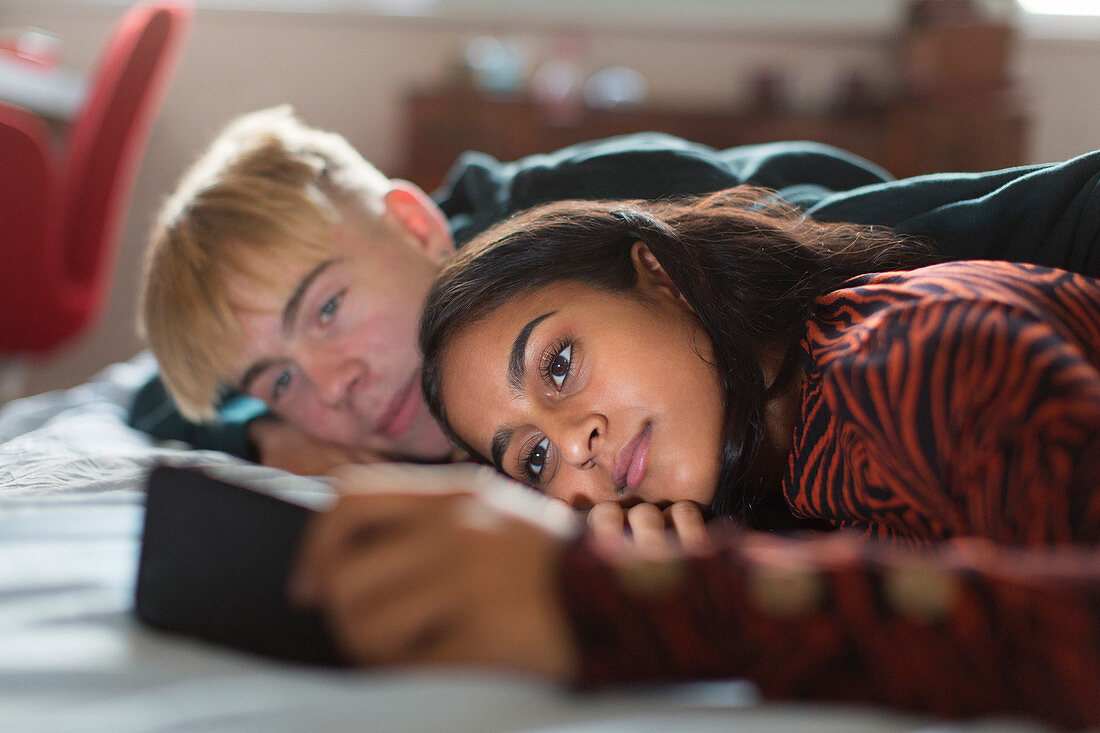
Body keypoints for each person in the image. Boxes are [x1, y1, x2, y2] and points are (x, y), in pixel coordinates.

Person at [286, 189, 1100, 728]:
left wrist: (654, 607)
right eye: (532, 460)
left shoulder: (914, 359)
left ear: (661, 277)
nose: (574, 445)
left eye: (559, 365)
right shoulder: (770, 472)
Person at [132, 106, 1100, 474]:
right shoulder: (356, 413)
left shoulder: (586, 217)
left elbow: (995, 222)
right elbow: (152, 396)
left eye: (327, 309)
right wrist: (261, 428)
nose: (334, 383)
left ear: (417, 221)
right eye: (283, 376)